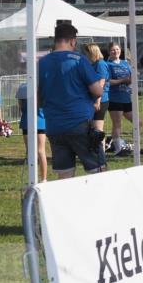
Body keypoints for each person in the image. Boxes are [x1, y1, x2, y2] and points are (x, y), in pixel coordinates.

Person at [37, 23, 106, 178]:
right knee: (98, 171)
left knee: (64, 176)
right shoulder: (78, 60)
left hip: (54, 125)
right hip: (79, 122)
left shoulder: (42, 62)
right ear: (73, 41)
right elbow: (97, 90)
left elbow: (37, 96)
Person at [16, 80, 48, 182]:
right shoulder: (44, 86)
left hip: (27, 122)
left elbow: (20, 106)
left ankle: (32, 178)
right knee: (41, 151)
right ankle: (43, 179)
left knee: (30, 151)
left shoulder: (22, 87)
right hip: (40, 122)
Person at [106, 43, 133, 155]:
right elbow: (107, 81)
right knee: (117, 124)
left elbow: (131, 78)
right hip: (115, 98)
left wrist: (131, 79)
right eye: (112, 50)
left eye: (117, 49)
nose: (115, 51)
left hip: (126, 97)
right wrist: (122, 81)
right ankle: (118, 148)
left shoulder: (126, 63)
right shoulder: (108, 65)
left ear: (120, 50)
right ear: (109, 52)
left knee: (138, 122)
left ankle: (128, 143)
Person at [84, 44, 111, 141]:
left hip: (101, 100)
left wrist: (97, 101)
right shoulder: (94, 64)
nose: (86, 55)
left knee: (98, 129)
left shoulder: (100, 64)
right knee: (93, 128)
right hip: (94, 99)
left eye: (87, 53)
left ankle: (101, 153)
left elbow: (101, 83)